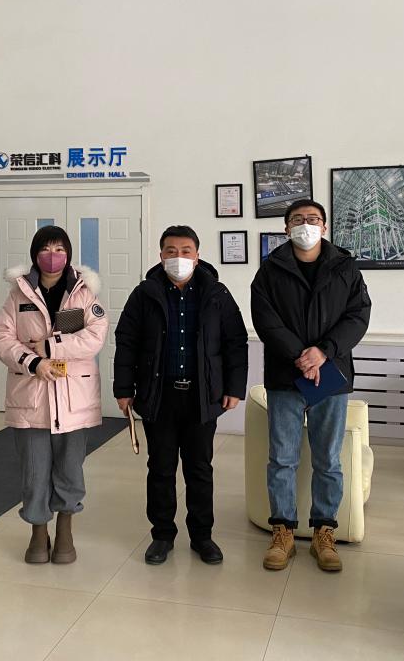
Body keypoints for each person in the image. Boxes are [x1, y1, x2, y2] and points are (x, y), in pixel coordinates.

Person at [114, 225, 248, 565]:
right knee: (161, 468)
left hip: (202, 396)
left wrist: (234, 388)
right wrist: (123, 389)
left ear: (197, 255)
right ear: (160, 256)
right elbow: (126, 342)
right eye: (171, 251)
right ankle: (162, 535)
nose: (178, 257)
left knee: (199, 468)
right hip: (159, 395)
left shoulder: (216, 293)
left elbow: (235, 341)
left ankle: (202, 536)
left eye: (186, 251)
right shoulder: (144, 294)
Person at [250, 199, 371, 572]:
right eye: (298, 220)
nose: (306, 225)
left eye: (313, 219)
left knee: (328, 459)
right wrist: (300, 357)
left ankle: (324, 532)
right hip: (286, 375)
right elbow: (265, 319)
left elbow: (358, 315)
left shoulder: (345, 267)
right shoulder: (270, 270)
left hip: (331, 375)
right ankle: (283, 532)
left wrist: (324, 352)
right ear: (286, 228)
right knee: (282, 458)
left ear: (325, 226)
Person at [0, 225, 107, 565]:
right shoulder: (19, 294)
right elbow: (1, 336)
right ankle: (38, 532)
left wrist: (52, 347)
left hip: (74, 399)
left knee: (70, 468)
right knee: (34, 470)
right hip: (32, 398)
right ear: (35, 254)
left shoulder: (83, 294)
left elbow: (94, 336)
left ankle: (65, 531)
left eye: (59, 249)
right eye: (46, 249)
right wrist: (33, 362)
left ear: (68, 254)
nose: (52, 256)